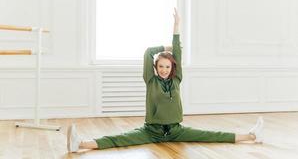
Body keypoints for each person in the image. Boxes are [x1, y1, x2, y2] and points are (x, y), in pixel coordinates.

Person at [67, 8, 264, 153]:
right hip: (151, 131)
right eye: (160, 66)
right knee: (119, 139)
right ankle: (81, 144)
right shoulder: (150, 80)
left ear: (172, 69)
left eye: (167, 67)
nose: (163, 69)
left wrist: (176, 27)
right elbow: (147, 53)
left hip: (176, 130)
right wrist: (164, 47)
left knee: (211, 134)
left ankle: (252, 136)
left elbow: (178, 53)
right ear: (156, 68)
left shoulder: (177, 79)